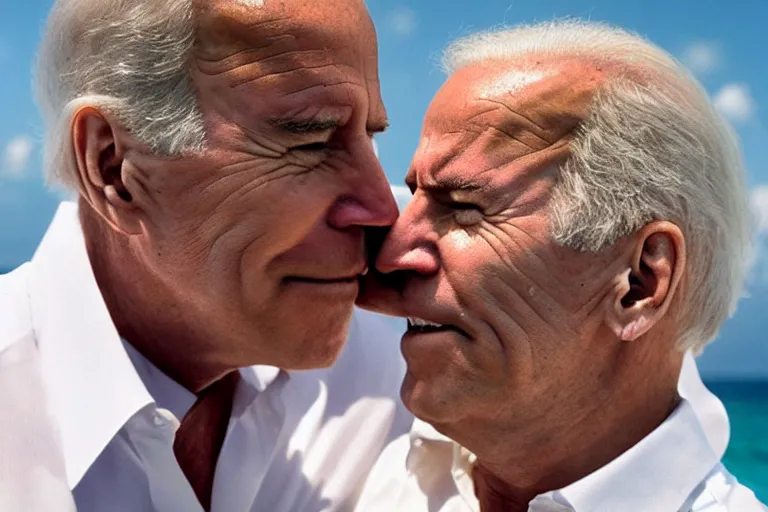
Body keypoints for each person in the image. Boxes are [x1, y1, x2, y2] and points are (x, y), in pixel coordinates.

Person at [0, 0, 412, 510]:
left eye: (368, 138)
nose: (381, 210)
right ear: (114, 168)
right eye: (311, 141)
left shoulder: (411, 344)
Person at [356, 20, 766, 511]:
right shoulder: (361, 459)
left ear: (639, 282)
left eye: (462, 207)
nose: (389, 255)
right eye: (415, 197)